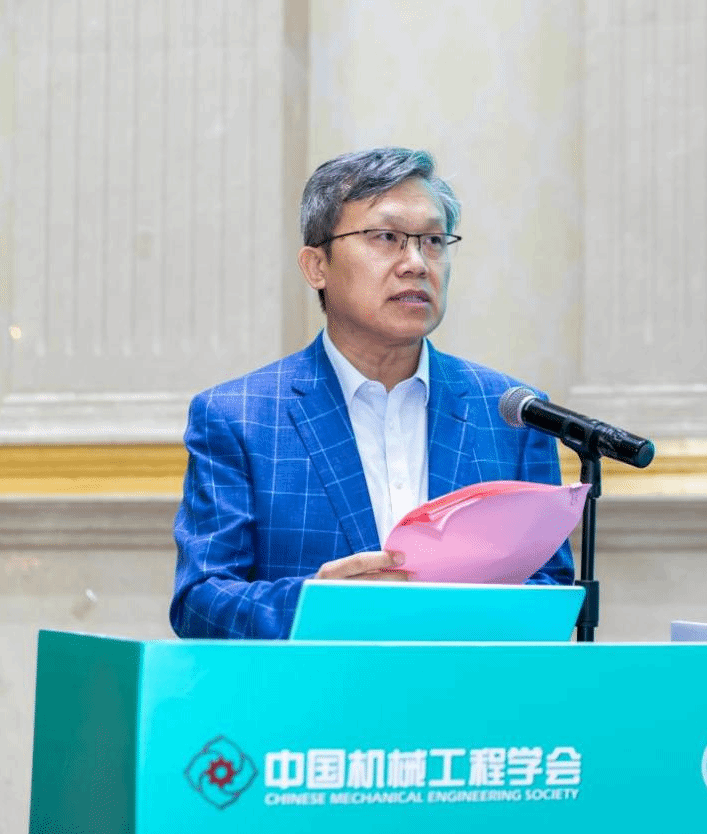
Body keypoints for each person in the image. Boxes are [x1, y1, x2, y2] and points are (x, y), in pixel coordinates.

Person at [170, 147, 574, 639]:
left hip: (463, 684)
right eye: (386, 238)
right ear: (316, 266)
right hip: (314, 686)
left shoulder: (513, 414)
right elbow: (201, 599)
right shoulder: (239, 418)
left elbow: (551, 587)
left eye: (433, 241)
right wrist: (316, 605)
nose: (416, 263)